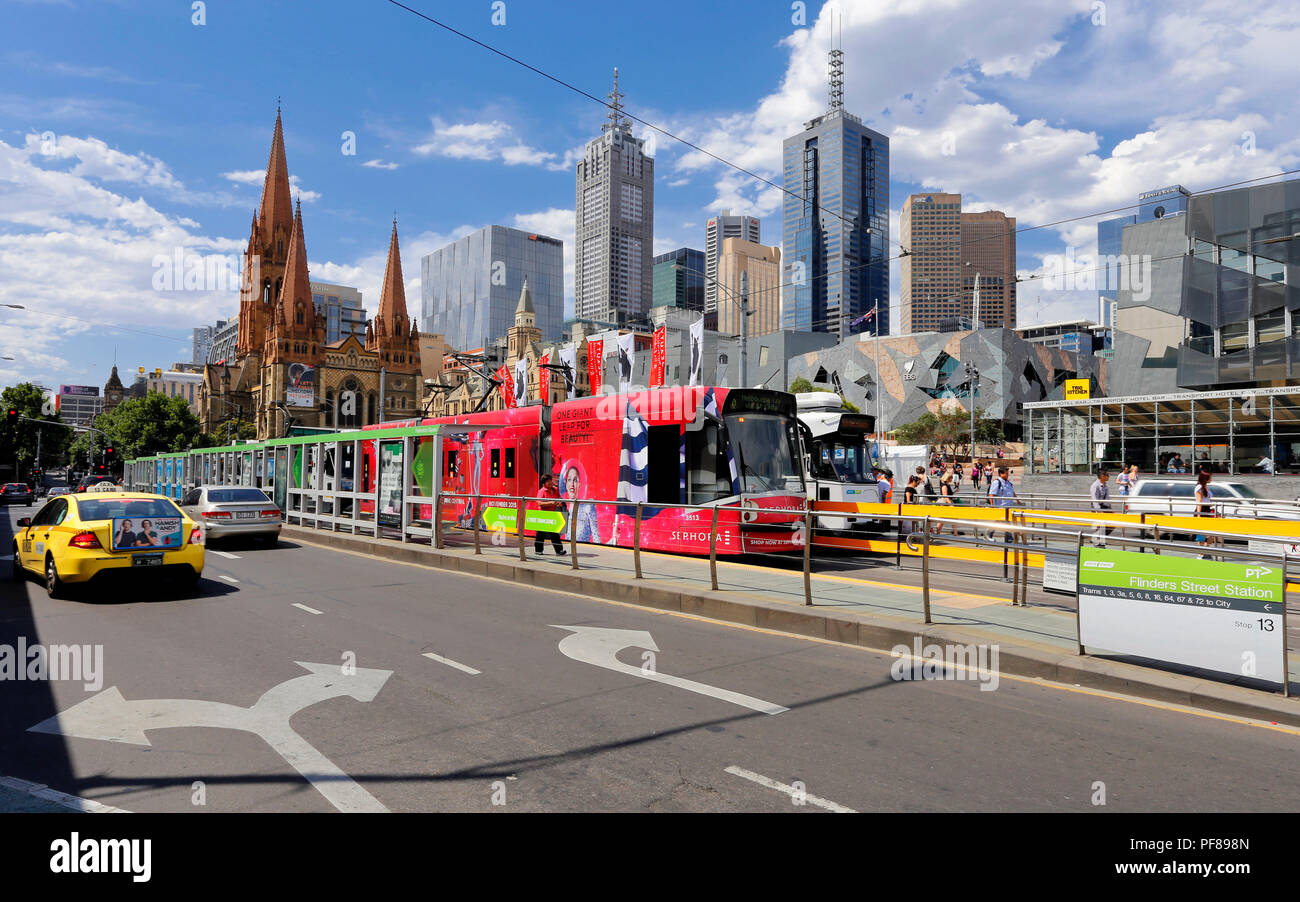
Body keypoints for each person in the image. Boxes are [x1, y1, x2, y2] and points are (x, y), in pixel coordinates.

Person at [563, 464, 600, 543]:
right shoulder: (564, 507)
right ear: (566, 484)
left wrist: (614, 538)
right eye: (569, 480)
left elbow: (596, 538)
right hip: (568, 551)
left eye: (575, 480)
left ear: (579, 484)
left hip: (583, 550)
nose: (572, 485)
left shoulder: (588, 506)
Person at [533, 474, 567, 556]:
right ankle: (538, 550)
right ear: (544, 483)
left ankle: (559, 551)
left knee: (554, 533)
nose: (550, 482)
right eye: (548, 481)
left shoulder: (555, 489)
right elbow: (540, 503)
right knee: (540, 533)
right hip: (543, 514)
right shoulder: (542, 491)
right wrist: (551, 503)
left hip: (552, 514)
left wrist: (559, 503)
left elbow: (559, 499)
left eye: (550, 480)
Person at [1194, 469, 1216, 557]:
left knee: (1213, 532)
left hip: (1207, 510)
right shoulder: (1199, 487)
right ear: (1205, 478)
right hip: (1202, 510)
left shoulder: (1206, 486)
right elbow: (1199, 502)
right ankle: (1201, 553)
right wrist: (1199, 515)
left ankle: (1205, 549)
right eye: (1210, 477)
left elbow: (1208, 499)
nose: (1212, 478)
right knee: (1201, 534)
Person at [1090, 468, 1113, 545]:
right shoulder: (1095, 486)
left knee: (1113, 522)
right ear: (1102, 476)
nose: (1108, 476)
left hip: (1103, 506)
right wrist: (1099, 511)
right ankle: (1097, 539)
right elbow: (1094, 500)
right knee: (1101, 524)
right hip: (1096, 506)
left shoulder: (1105, 485)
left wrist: (1110, 509)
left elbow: (1107, 498)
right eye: (1107, 475)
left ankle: (1097, 537)